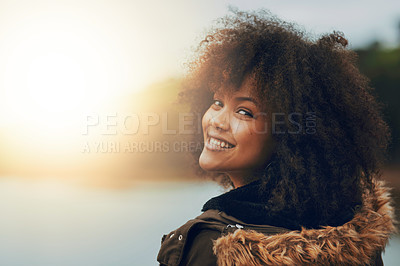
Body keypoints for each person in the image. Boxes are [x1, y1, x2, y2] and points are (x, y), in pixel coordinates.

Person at [157, 10, 396, 266]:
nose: (216, 121)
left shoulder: (209, 245)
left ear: (290, 137)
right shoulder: (358, 235)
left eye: (244, 112)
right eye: (217, 102)